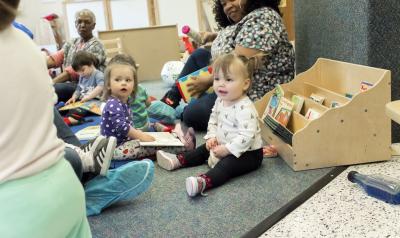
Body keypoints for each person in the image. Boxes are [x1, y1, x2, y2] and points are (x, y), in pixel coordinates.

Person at [0, 0, 91, 236]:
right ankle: (86, 159)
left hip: (15, 213)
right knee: (71, 155)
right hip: (64, 189)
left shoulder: (92, 45)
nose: (81, 26)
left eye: (85, 22)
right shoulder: (23, 41)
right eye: (77, 22)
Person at [161, 0, 295, 131]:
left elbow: (238, 63)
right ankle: (170, 99)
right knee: (199, 55)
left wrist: (209, 80)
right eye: (224, 4)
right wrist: (214, 36)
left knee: (192, 114)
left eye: (232, 0)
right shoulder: (244, 20)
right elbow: (237, 38)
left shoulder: (264, 17)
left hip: (251, 90)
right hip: (227, 78)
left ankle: (184, 109)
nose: (228, 6)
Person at [157, 53, 264, 197]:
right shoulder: (220, 100)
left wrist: (227, 149)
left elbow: (247, 136)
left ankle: (203, 182)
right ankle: (179, 160)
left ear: (245, 84)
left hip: (248, 153)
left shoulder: (245, 107)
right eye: (217, 78)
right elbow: (213, 119)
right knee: (202, 149)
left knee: (227, 166)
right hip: (223, 142)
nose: (221, 83)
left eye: (228, 79)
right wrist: (212, 137)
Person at [101, 56, 196, 160]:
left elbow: (128, 123)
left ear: (134, 84)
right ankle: (183, 147)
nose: (123, 83)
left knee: (148, 139)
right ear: (108, 85)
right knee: (149, 146)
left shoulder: (124, 101)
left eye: (128, 80)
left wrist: (138, 133)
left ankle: (174, 139)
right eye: (117, 80)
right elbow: (121, 126)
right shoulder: (113, 104)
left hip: (123, 142)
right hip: (115, 148)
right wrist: (140, 136)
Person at [47, 8, 106, 103]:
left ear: (93, 26)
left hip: (89, 88)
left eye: (87, 22)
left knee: (51, 89)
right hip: (75, 86)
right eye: (79, 22)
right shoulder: (72, 42)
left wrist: (51, 82)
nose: (82, 25)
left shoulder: (97, 45)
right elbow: (56, 58)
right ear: (75, 24)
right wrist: (39, 63)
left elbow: (75, 71)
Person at [63, 51, 104, 126]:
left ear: (91, 64)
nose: (81, 74)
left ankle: (72, 119)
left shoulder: (98, 74)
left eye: (82, 70)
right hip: (83, 101)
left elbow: (100, 87)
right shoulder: (82, 76)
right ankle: (65, 118)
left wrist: (88, 97)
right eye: (78, 72)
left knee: (79, 109)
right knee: (63, 108)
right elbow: (79, 88)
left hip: (95, 102)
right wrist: (74, 97)